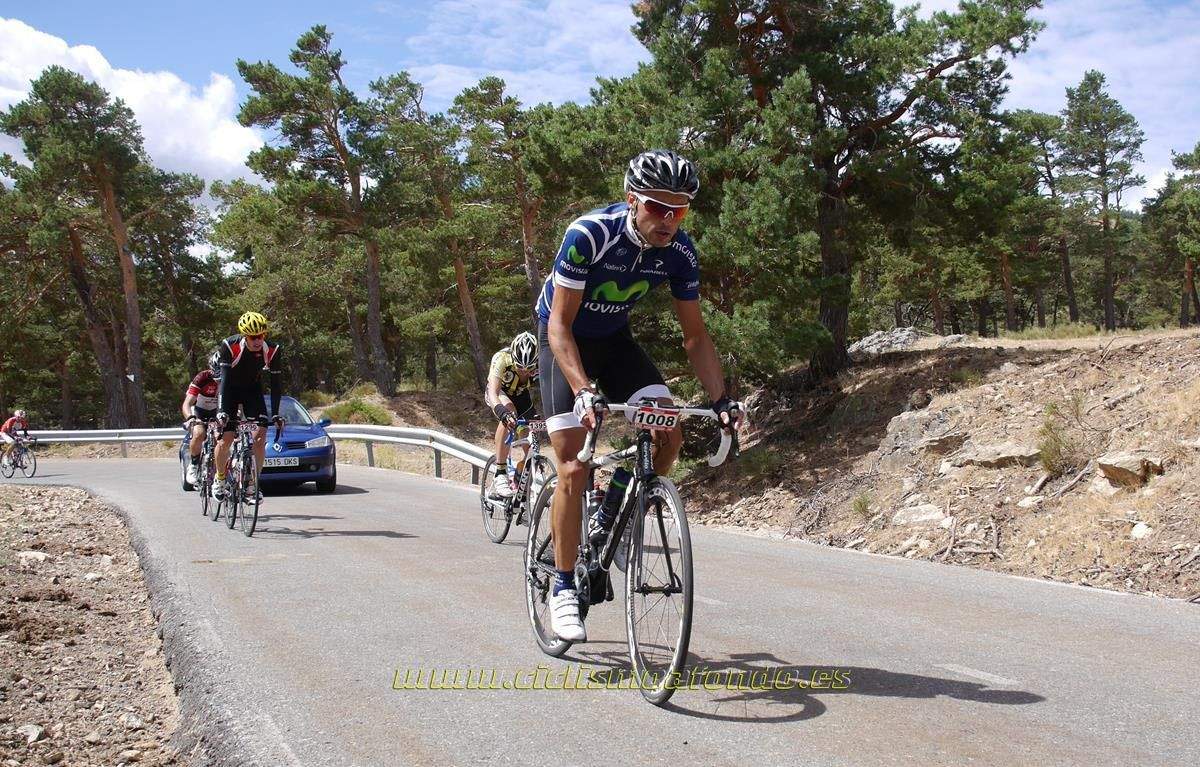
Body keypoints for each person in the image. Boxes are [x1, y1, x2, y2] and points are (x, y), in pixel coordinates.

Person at [535, 149, 742, 642]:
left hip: (616, 344)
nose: (669, 219)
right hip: (564, 343)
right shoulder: (590, 235)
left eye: (681, 209)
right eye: (657, 207)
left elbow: (695, 337)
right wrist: (583, 390)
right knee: (573, 466)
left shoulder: (680, 252)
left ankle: (614, 514)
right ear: (632, 200)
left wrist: (721, 401)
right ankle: (563, 587)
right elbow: (560, 326)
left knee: (668, 428)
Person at [212, 312, 284, 501]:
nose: (258, 341)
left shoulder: (273, 350)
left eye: (261, 336)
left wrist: (275, 414)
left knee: (260, 437)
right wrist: (221, 411)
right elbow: (225, 382)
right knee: (226, 438)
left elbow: (276, 384)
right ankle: (219, 479)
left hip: (252, 390)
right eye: (253, 337)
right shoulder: (231, 345)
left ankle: (252, 483)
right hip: (230, 391)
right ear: (245, 336)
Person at [483, 331, 539, 498]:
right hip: (500, 393)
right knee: (510, 413)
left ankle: (520, 474)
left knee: (530, 443)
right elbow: (493, 391)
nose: (524, 372)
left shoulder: (541, 363)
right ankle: (500, 472)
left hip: (521, 395)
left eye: (529, 368)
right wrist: (502, 413)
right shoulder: (502, 359)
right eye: (520, 367)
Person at [181, 351, 222, 486]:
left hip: (218, 412)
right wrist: (190, 418)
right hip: (200, 411)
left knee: (220, 439)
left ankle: (219, 473)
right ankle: (193, 465)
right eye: (216, 373)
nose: (218, 378)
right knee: (199, 433)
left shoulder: (231, 379)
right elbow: (187, 403)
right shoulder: (202, 377)